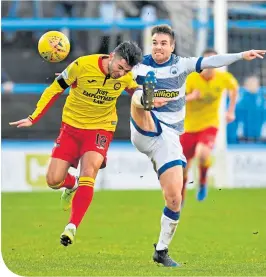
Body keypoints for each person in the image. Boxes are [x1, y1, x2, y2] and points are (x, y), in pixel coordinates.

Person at [130, 24, 265, 267]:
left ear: (172, 47)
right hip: (144, 127)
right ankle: (145, 98)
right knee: (137, 98)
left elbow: (213, 62)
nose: (158, 47)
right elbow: (110, 70)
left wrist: (241, 55)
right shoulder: (140, 66)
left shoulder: (182, 65)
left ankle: (161, 250)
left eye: (163, 43)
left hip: (169, 137)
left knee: (174, 199)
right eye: (155, 42)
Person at [9, 41, 142, 246]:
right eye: (120, 67)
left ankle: (72, 226)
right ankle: (71, 185)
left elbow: (138, 94)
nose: (121, 73)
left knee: (89, 171)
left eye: (126, 70)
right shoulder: (81, 65)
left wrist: (148, 99)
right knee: (53, 180)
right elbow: (54, 89)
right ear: (112, 55)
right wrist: (33, 117)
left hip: (101, 128)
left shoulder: (127, 77)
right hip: (71, 128)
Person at [180, 49, 239, 203]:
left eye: (214, 62)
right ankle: (181, 194)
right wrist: (192, 96)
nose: (210, 65)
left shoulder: (223, 78)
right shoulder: (191, 78)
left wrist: (231, 110)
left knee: (203, 154)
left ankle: (203, 182)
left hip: (210, 124)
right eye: (207, 62)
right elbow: (178, 100)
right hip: (189, 127)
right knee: (183, 166)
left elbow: (234, 89)